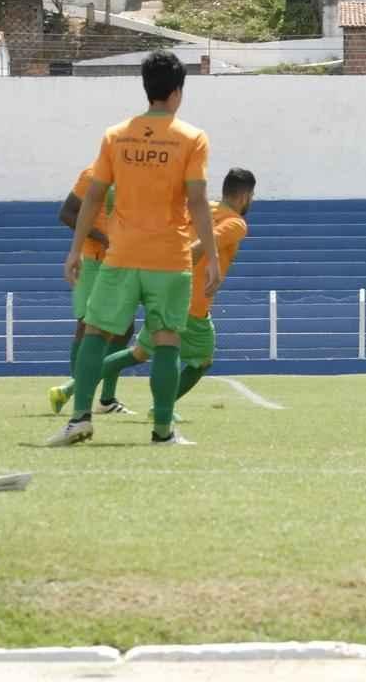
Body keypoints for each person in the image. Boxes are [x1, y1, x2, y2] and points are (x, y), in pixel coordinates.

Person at [46, 50, 220, 447]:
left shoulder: (116, 135)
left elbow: (91, 198)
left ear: (146, 89)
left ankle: (80, 419)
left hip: (121, 255)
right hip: (170, 258)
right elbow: (196, 200)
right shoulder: (192, 138)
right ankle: (162, 430)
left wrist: (74, 250)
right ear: (177, 92)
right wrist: (209, 253)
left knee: (95, 333)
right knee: (166, 340)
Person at [97, 168, 255, 413]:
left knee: (139, 353)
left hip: (164, 290)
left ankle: (71, 387)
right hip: (192, 303)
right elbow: (204, 244)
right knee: (201, 361)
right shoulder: (236, 223)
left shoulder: (203, 209)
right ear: (245, 196)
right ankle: (162, 409)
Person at [47, 166, 136, 416]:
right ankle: (76, 396)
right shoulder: (92, 175)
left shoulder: (134, 173)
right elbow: (66, 213)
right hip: (95, 260)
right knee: (87, 325)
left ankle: (101, 398)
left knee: (124, 328)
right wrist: (102, 237)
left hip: (121, 260)